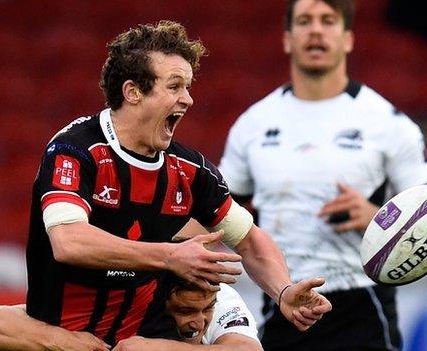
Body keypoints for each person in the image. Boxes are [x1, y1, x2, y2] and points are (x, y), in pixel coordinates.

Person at [24, 20, 331, 347]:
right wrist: (170, 256)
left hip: (139, 340)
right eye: (174, 87)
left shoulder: (189, 169)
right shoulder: (75, 150)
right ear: (133, 92)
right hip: (61, 338)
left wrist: (282, 290)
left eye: (187, 87)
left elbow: (249, 239)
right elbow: (69, 241)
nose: (188, 99)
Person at [218, 1, 427, 350]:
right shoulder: (253, 124)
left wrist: (380, 218)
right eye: (305, 21)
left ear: (348, 38)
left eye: (328, 21)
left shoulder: (385, 121)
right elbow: (217, 206)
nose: (316, 30)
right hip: (285, 303)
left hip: (362, 305)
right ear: (288, 39)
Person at [0, 280, 262, 351]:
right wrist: (65, 340)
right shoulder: (123, 299)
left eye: (206, 310)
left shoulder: (218, 294)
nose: (198, 321)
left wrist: (154, 348)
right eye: (184, 311)